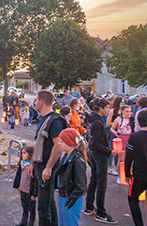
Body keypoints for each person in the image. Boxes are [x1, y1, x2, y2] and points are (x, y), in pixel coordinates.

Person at [29, 90, 67, 226]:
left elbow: (58, 145)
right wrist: (32, 163)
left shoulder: (54, 121)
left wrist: (49, 168)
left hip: (46, 166)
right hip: (41, 165)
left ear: (41, 102)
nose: (34, 103)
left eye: (35, 100)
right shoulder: (44, 119)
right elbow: (39, 143)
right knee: (49, 201)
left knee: (43, 207)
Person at [84, 98, 118, 224]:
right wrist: (110, 152)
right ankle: (101, 212)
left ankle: (89, 206)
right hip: (98, 154)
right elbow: (97, 143)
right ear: (100, 108)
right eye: (107, 107)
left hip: (92, 152)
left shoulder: (92, 120)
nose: (109, 110)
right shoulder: (97, 123)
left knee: (94, 179)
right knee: (101, 183)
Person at [56, 128, 87, 226]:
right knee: (63, 222)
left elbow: (80, 185)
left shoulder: (77, 160)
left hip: (70, 198)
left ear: (69, 142)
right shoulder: (66, 156)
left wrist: (71, 198)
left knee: (69, 223)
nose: (59, 144)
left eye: (61, 141)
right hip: (64, 195)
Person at [13, 146, 37, 226]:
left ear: (30, 154)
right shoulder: (22, 164)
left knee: (32, 209)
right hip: (23, 189)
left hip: (30, 191)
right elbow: (18, 176)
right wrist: (18, 186)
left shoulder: (33, 167)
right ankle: (23, 222)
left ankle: (31, 223)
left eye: (24, 153)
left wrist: (34, 194)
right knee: (24, 207)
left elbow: (35, 181)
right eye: (21, 153)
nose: (22, 155)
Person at [106, 97, 123, 176]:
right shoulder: (113, 111)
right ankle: (110, 166)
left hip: (121, 132)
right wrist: (116, 123)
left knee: (119, 151)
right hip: (114, 132)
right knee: (112, 149)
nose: (123, 104)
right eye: (121, 102)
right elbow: (108, 123)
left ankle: (116, 166)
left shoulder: (123, 111)